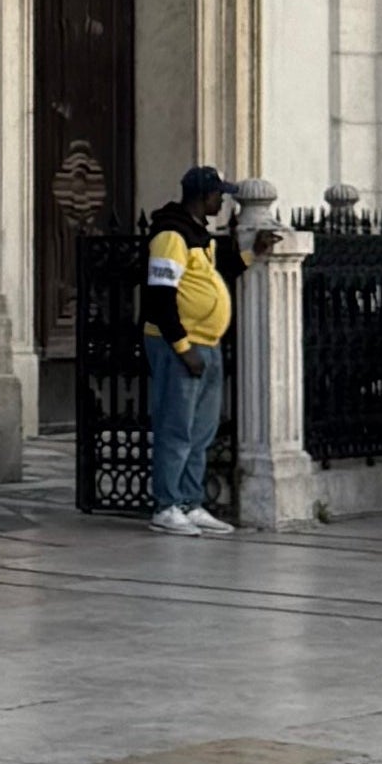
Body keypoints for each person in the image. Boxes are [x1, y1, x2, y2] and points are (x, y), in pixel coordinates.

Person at [141, 165, 238, 536]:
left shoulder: (198, 234)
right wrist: (183, 348)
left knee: (200, 432)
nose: (222, 201)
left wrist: (250, 255)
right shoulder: (170, 235)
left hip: (206, 344)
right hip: (179, 346)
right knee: (175, 428)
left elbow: (216, 273)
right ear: (203, 196)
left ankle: (189, 501)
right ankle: (166, 506)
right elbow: (160, 296)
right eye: (219, 195)